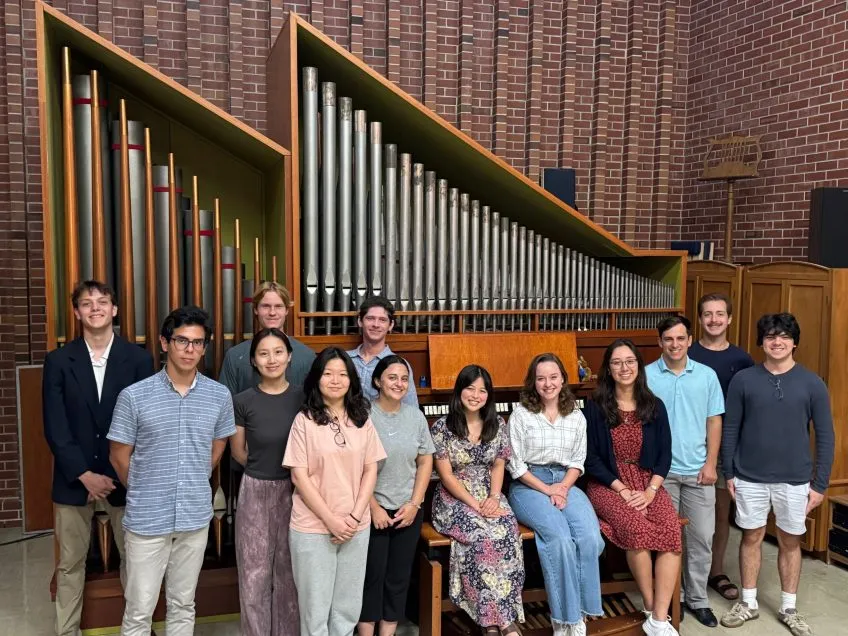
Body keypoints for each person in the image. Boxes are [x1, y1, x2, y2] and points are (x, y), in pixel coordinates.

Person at [108, 306, 236, 636]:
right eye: (182, 341)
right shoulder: (134, 397)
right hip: (147, 520)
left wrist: (190, 480)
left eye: (198, 342)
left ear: (205, 347)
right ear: (165, 344)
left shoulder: (218, 396)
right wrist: (145, 488)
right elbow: (119, 456)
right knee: (139, 609)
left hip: (194, 517)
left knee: (183, 603)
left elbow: (217, 447)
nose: (190, 349)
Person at [43, 280, 154, 636]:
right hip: (73, 479)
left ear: (114, 309)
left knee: (137, 563)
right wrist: (84, 474)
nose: (95, 308)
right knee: (70, 564)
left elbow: (144, 423)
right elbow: (55, 425)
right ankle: (67, 630)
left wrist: (112, 472)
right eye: (86, 303)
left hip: (124, 476)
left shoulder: (139, 359)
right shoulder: (59, 360)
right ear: (77, 312)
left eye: (102, 302)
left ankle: (138, 628)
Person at [719, 313, 834, 636]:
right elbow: (731, 428)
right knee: (751, 537)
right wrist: (729, 471)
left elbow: (825, 435)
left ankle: (788, 607)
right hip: (748, 476)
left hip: (796, 480)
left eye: (784, 336)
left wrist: (820, 484)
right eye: (770, 336)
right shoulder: (744, 380)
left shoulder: (813, 383)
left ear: (794, 341)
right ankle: (749, 602)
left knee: (789, 541)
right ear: (762, 342)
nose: (777, 341)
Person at [282, 347, 386, 636]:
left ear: (352, 380)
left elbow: (370, 469)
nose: (335, 380)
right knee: (315, 610)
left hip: (356, 526)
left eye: (342, 374)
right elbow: (299, 476)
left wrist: (353, 517)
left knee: (347, 607)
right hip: (313, 527)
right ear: (317, 379)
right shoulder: (304, 421)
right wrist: (331, 520)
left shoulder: (362, 419)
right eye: (328, 374)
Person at [584, 339, 682, 636]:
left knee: (671, 531)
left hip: (647, 482)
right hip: (608, 483)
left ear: (638, 366)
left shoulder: (654, 405)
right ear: (608, 368)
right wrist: (622, 490)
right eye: (617, 362)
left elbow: (665, 454)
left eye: (630, 361)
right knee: (637, 529)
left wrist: (651, 490)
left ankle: (659, 618)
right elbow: (590, 458)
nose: (624, 368)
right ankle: (652, 610)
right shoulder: (595, 406)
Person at [507, 353, 604, 636]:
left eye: (553, 377)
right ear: (533, 382)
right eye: (541, 378)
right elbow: (516, 464)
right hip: (529, 484)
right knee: (560, 538)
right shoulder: (521, 414)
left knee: (589, 537)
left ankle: (582, 612)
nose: (547, 384)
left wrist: (562, 487)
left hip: (567, 480)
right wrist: (547, 489)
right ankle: (564, 618)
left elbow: (578, 459)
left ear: (563, 378)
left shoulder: (575, 413)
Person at [431, 364, 524, 635]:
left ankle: (504, 619)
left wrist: (494, 498)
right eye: (470, 388)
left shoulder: (498, 424)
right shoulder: (442, 427)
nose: (475, 395)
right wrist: (475, 505)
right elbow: (446, 475)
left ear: (489, 395)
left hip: (489, 493)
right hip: (454, 498)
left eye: (482, 390)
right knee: (481, 536)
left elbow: (498, 465)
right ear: (459, 390)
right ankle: (488, 620)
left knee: (507, 532)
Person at [645, 315, 724, 628]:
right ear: (660, 342)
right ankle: (671, 600)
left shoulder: (706, 376)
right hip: (660, 475)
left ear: (690, 340)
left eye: (680, 338)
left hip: (697, 471)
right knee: (667, 539)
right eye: (668, 339)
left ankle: (697, 599)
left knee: (702, 537)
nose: (674, 344)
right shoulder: (647, 376)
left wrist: (711, 463)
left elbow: (714, 421)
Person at [230, 328, 305, 636]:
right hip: (255, 491)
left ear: (289, 357)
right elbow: (238, 452)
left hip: (298, 491)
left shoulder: (304, 398)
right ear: (253, 360)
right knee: (253, 574)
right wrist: (264, 472)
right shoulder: (242, 401)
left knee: (290, 573)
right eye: (263, 353)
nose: (271, 359)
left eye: (278, 352)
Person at [358, 355, 435, 636]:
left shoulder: (415, 416)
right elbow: (353, 466)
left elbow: (425, 460)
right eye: (392, 377)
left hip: (408, 510)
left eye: (404, 379)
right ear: (378, 380)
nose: (399, 383)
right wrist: (373, 507)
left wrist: (414, 504)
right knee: (371, 577)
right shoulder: (363, 414)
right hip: (370, 509)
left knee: (399, 577)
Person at [687, 292, 754, 601]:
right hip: (688, 442)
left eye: (719, 314)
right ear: (700, 319)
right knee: (686, 513)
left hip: (725, 444)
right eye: (707, 314)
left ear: (729, 319)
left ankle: (715, 570)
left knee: (719, 511)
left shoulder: (741, 360)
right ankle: (685, 572)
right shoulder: (687, 353)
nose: (713, 320)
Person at [219, 281, 316, 392]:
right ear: (256, 309)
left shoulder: (307, 356)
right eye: (266, 306)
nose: (272, 312)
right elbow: (225, 404)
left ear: (287, 310)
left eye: (278, 306)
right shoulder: (234, 356)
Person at [347, 296, 418, 407]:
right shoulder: (343, 359)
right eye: (370, 318)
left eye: (382, 320)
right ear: (360, 321)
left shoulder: (400, 365)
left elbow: (411, 409)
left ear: (391, 325)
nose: (376, 324)